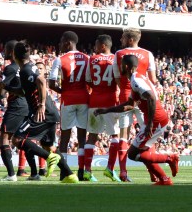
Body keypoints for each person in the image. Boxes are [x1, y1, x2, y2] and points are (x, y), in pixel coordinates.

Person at [93, 54, 178, 186]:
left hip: (155, 120)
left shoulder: (136, 80)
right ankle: (164, 179)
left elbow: (150, 98)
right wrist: (106, 110)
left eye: (121, 65)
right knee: (142, 153)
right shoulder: (137, 78)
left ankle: (170, 158)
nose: (120, 67)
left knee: (132, 154)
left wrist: (149, 124)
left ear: (126, 66)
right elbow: (130, 105)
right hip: (156, 119)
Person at [7, 42, 78, 184]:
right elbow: (24, 91)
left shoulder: (26, 70)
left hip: (42, 113)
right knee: (49, 146)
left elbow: (41, 80)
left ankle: (49, 157)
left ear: (14, 55)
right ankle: (69, 174)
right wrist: (6, 87)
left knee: (17, 139)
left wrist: (41, 104)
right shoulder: (29, 67)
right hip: (50, 112)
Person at [109, 29, 156, 182]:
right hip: (142, 97)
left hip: (125, 96)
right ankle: (153, 172)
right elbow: (152, 80)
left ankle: (123, 173)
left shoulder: (119, 54)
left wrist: (127, 89)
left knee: (124, 135)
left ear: (130, 39)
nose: (121, 39)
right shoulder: (148, 54)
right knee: (148, 134)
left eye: (123, 37)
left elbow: (117, 78)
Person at [48, 31, 90, 180]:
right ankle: (81, 170)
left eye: (61, 42)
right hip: (84, 99)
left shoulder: (60, 59)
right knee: (82, 138)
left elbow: (51, 83)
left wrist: (62, 91)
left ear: (67, 42)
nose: (59, 45)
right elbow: (90, 81)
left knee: (64, 138)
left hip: (68, 99)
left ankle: (64, 172)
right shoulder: (87, 58)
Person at [0, 40, 32, 181]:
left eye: (6, 50)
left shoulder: (10, 68)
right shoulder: (27, 66)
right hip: (28, 105)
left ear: (11, 52)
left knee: (4, 137)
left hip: (16, 106)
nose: (4, 52)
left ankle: (11, 174)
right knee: (22, 140)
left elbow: (2, 93)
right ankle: (34, 171)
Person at [81, 34, 117, 182]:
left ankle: (88, 171)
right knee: (115, 137)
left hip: (95, 100)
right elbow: (118, 79)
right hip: (110, 101)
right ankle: (110, 169)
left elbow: (88, 80)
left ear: (103, 46)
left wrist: (98, 87)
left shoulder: (92, 59)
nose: (94, 48)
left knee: (92, 136)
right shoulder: (115, 59)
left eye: (96, 45)